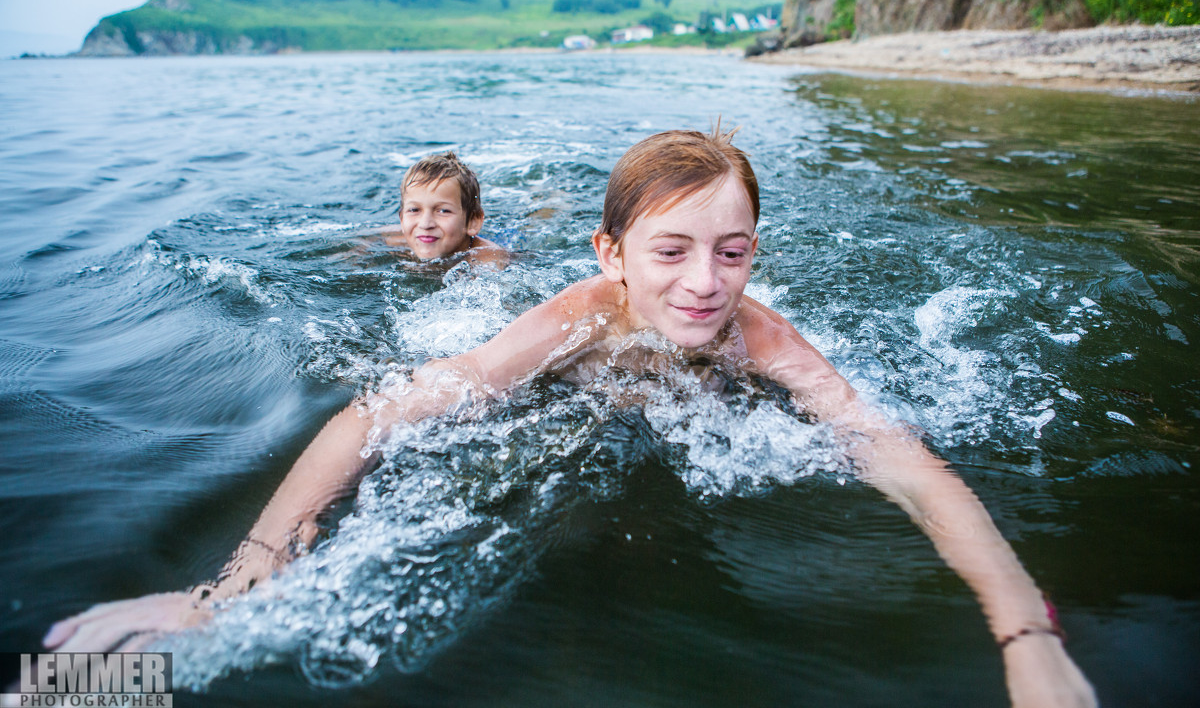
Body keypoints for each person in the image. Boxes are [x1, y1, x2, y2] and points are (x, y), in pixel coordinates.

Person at [44, 128, 1097, 707]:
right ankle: (107, 670)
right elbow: (373, 413)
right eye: (670, 251)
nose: (703, 284)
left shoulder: (765, 342)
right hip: (567, 391)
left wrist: (1023, 636)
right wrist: (237, 570)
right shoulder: (570, 320)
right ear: (611, 256)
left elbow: (912, 467)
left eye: (731, 251)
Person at [362, 150, 505, 263]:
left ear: (472, 222)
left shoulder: (488, 257)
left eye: (443, 211)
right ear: (402, 219)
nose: (425, 224)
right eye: (414, 210)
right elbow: (364, 238)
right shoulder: (400, 240)